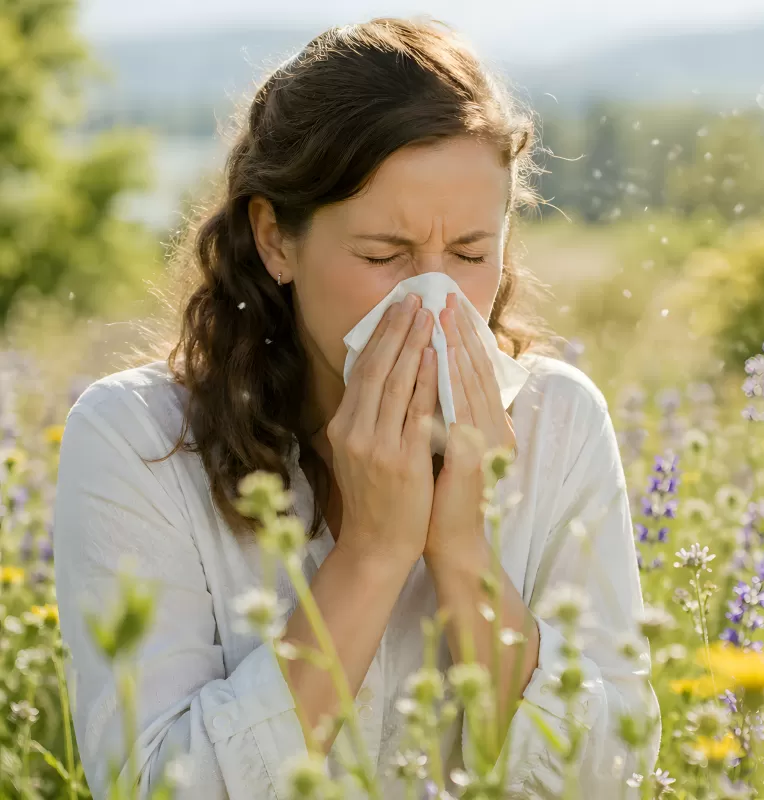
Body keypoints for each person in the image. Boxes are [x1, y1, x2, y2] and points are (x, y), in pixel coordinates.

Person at [52, 16, 660, 799]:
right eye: (384, 256)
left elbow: (610, 778)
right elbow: (157, 787)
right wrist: (371, 552)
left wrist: (464, 549)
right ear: (275, 239)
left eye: (471, 254)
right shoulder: (137, 442)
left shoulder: (559, 422)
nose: (435, 299)